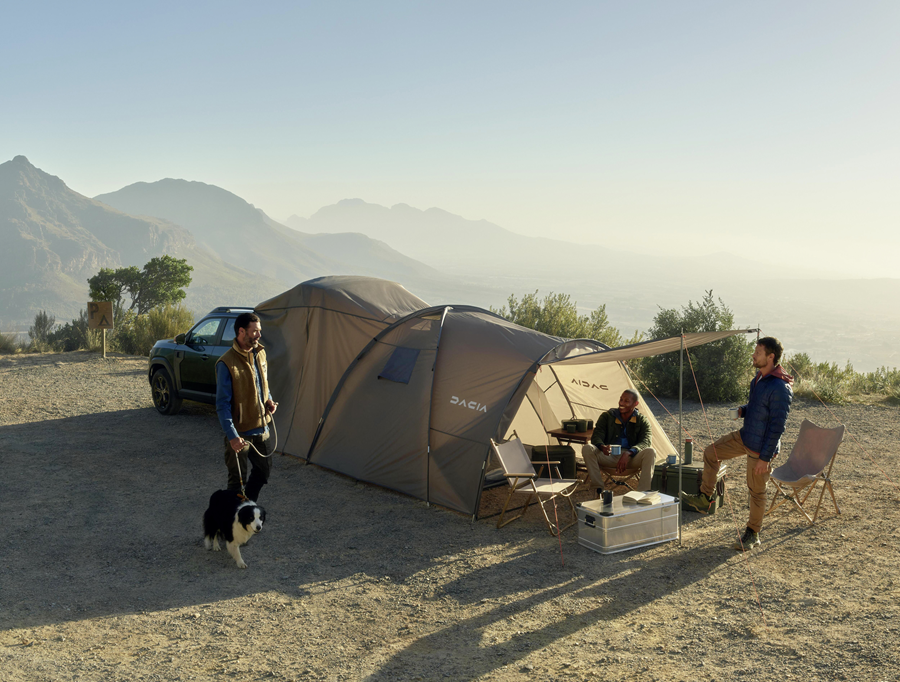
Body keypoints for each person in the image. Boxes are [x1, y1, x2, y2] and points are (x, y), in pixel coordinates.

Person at [682, 336, 793, 551]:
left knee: (757, 492)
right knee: (711, 452)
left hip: (760, 448)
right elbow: (757, 406)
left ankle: (753, 533)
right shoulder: (759, 379)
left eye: (758, 352)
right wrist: (743, 410)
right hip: (745, 437)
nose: (753, 355)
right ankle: (706, 498)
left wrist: (765, 458)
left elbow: (777, 427)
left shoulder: (781, 388)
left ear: (770, 357)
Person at [215, 312, 277, 502]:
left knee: (264, 472)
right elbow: (222, 404)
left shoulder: (261, 352)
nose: (259, 335)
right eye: (255, 331)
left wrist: (269, 400)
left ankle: (247, 508)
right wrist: (233, 437)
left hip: (262, 427)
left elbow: (263, 383)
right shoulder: (226, 363)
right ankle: (232, 522)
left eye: (260, 331)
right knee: (236, 482)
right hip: (240, 433)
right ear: (242, 331)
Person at [581, 389, 657, 495]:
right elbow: (596, 436)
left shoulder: (642, 420)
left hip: (631, 459)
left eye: (626, 401)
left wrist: (629, 453)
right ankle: (599, 488)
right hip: (609, 456)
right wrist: (603, 447)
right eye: (621, 399)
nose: (621, 403)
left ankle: (642, 493)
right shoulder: (607, 416)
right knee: (587, 448)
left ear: (635, 404)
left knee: (650, 451)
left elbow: (646, 441)